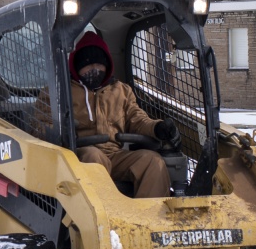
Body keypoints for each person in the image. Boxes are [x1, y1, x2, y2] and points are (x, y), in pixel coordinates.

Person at [67, 31, 178, 199]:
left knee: (152, 161)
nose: (94, 70)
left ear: (107, 65)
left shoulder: (121, 91)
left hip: (114, 155)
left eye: (99, 65)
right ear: (77, 66)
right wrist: (61, 131)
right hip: (77, 156)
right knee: (93, 156)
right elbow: (43, 124)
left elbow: (138, 119)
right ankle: (104, 218)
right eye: (88, 65)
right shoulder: (62, 92)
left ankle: (149, 220)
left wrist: (157, 127)